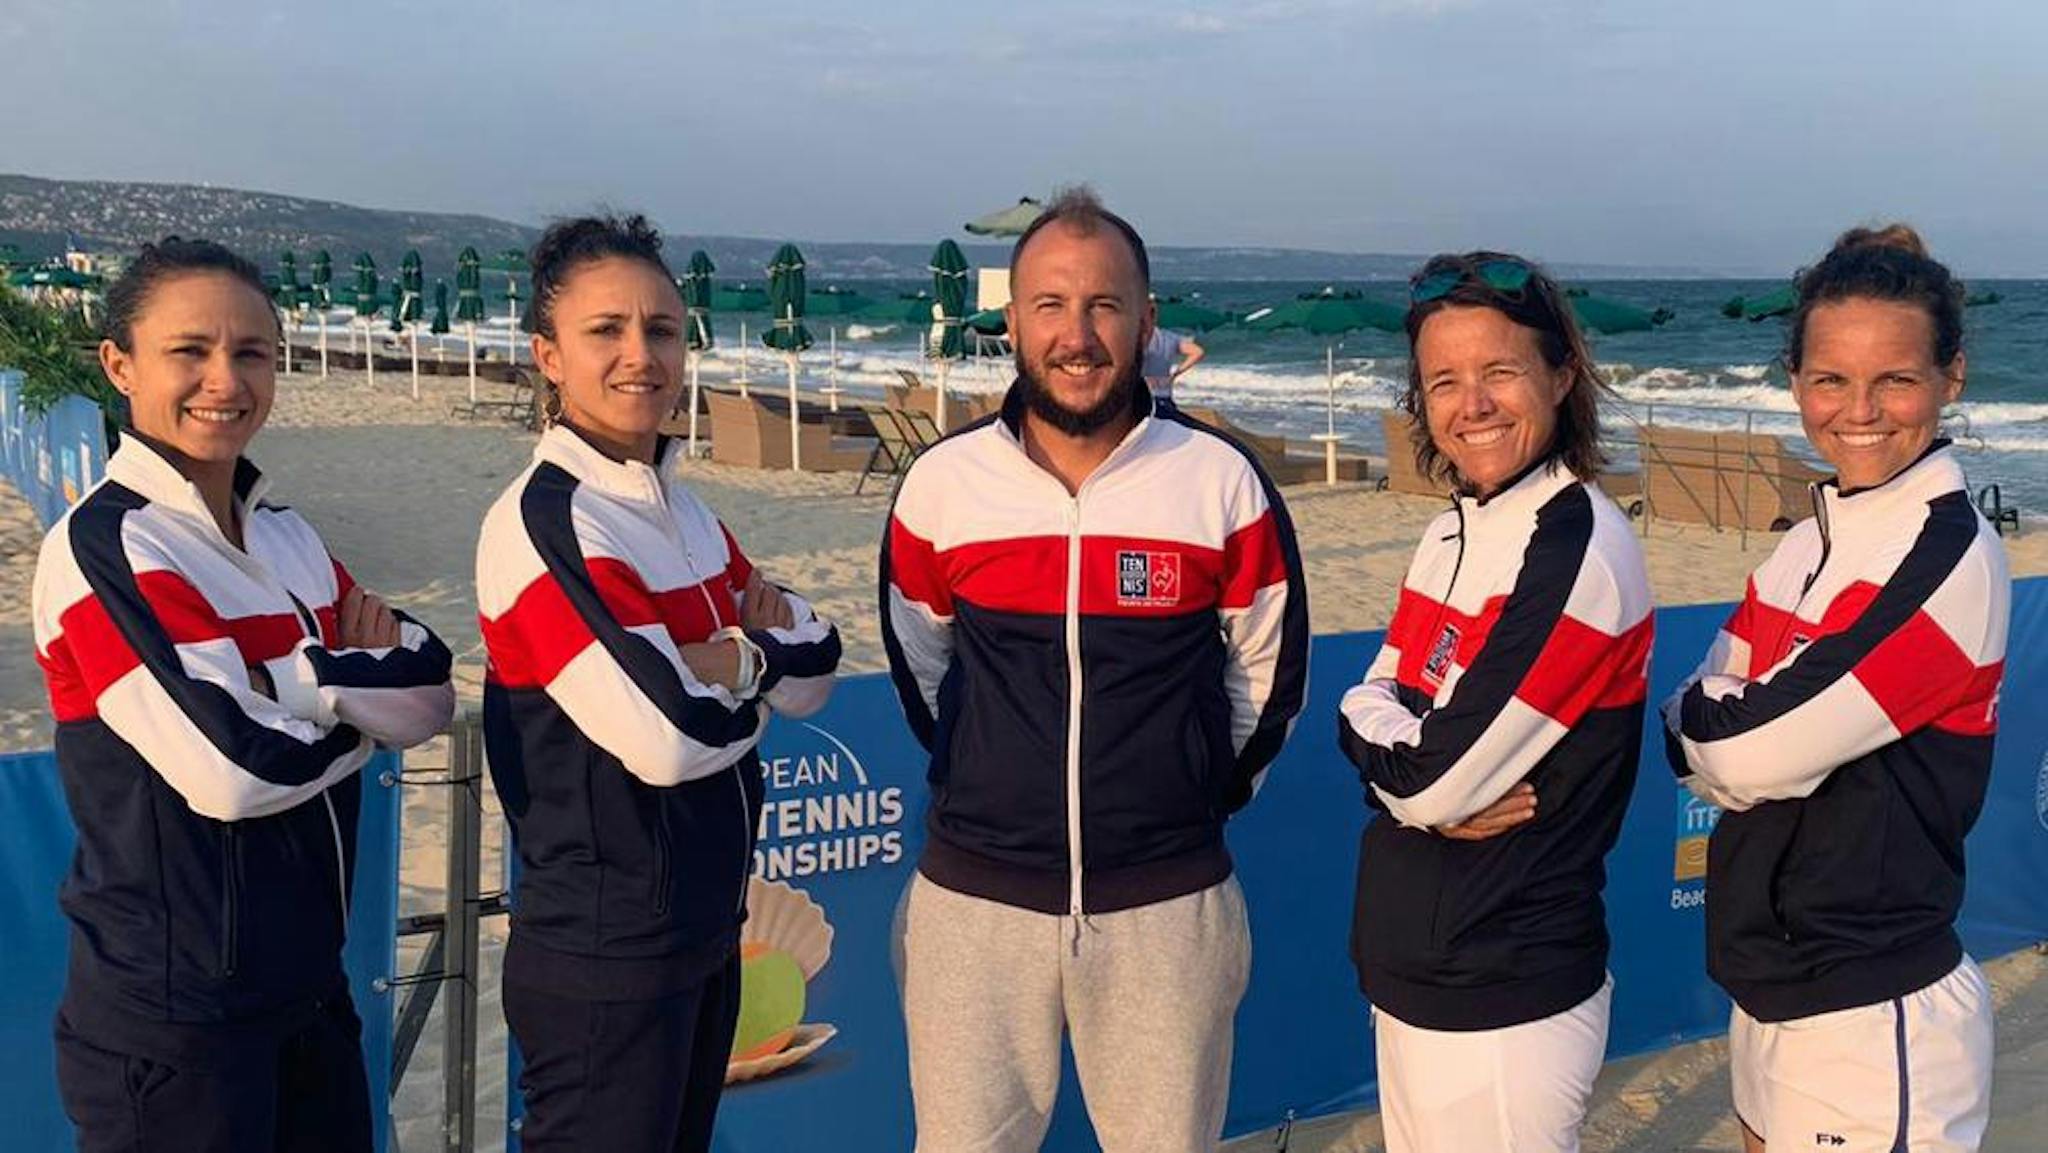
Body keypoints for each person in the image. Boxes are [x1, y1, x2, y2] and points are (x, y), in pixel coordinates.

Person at [880, 187, 1310, 1152]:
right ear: (1012, 324)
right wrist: (989, 778)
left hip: (1166, 907)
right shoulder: (945, 486)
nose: (1078, 335)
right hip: (973, 908)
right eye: (1050, 306)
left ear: (1147, 319)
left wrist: (1185, 797)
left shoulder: (1219, 481)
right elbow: (924, 672)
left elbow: (1266, 677)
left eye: (1105, 305)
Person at [31, 236, 456, 1152]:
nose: (224, 379)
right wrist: (342, 692)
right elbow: (231, 768)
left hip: (311, 991)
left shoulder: (288, 536)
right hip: (178, 1022)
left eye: (251, 352)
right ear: (119, 364)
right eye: (189, 349)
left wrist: (283, 688)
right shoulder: (105, 548)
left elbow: (429, 692)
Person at [475, 214, 841, 1152]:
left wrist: (739, 660)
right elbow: (665, 735)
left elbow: (823, 659)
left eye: (663, 330)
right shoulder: (544, 522)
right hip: (607, 953)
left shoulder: (685, 511)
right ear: (548, 356)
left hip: (704, 933)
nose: (641, 355)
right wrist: (750, 656)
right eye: (607, 331)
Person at [1663, 225, 2006, 1153]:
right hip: (1769, 984)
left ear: (1952, 378)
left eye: (1895, 377)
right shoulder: (1811, 534)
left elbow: (1733, 744)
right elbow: (1696, 710)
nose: (1860, 409)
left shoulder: (1946, 554)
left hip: (1874, 1006)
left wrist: (1726, 737)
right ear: (1797, 383)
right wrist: (1725, 733)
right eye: (1830, 378)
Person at [1336, 252, 1652, 1153]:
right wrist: (1406, 768)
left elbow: (1430, 775)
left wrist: (1406, 770)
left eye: (1499, 371)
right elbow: (1371, 709)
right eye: (1445, 380)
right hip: (1414, 966)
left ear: (1561, 374)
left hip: (1507, 983)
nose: (1471, 403)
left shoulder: (1576, 545)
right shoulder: (1449, 532)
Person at [1141, 323, 1205, 402]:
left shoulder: (1136, 336)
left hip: (1141, 395)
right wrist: (1174, 374)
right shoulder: (1169, 337)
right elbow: (1198, 352)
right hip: (1164, 393)